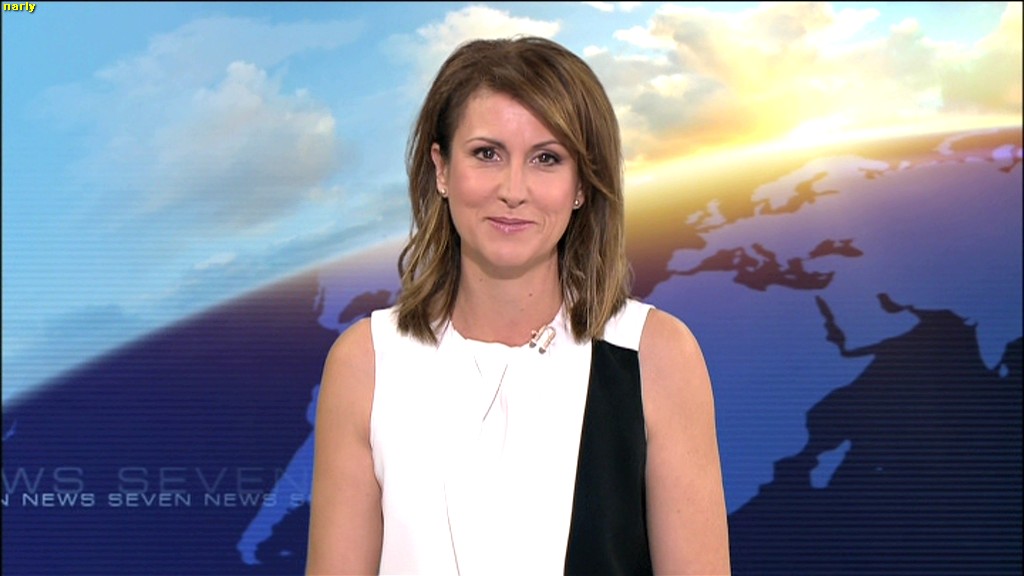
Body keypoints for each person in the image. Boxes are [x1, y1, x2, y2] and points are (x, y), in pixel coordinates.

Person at [306, 35, 731, 575]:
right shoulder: (367, 362)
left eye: (546, 159)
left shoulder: (656, 356)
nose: (514, 189)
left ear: (582, 184)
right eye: (487, 154)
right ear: (441, 169)